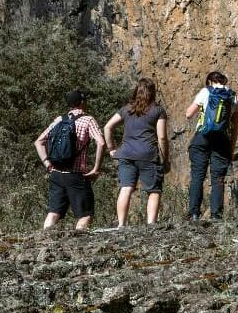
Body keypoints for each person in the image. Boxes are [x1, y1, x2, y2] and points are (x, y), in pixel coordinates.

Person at [34, 89, 104, 231]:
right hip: (76, 175)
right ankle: (79, 244)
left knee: (54, 213)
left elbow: (38, 142)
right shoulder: (88, 120)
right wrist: (96, 168)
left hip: (56, 174)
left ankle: (43, 242)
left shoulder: (59, 120)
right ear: (83, 102)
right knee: (85, 215)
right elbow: (101, 143)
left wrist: (47, 164)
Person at [104, 77, 168, 226]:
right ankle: (151, 224)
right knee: (154, 190)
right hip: (148, 155)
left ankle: (121, 225)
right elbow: (162, 137)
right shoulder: (158, 110)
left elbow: (107, 127)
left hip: (126, 154)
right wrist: (165, 159)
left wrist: (111, 149)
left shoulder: (127, 109)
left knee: (126, 188)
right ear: (153, 92)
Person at [184, 70, 238, 221]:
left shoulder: (205, 92)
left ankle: (194, 213)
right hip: (222, 140)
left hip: (202, 137)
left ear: (209, 81)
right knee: (218, 178)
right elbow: (234, 126)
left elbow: (189, 114)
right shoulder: (233, 96)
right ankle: (216, 215)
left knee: (198, 176)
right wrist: (232, 147)